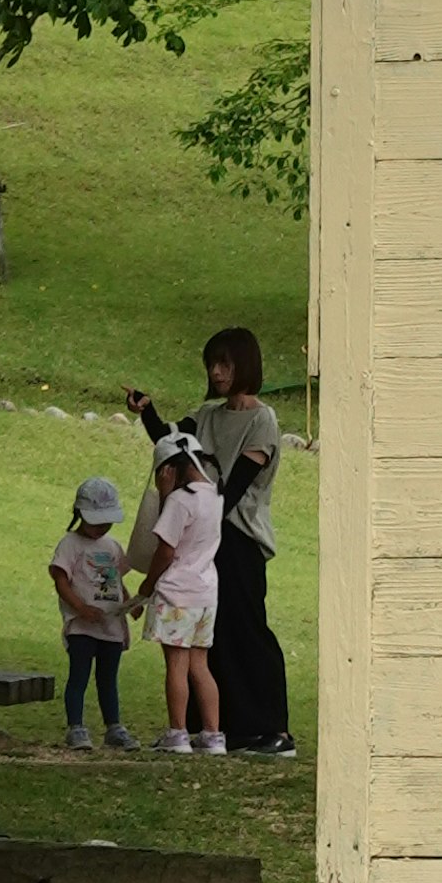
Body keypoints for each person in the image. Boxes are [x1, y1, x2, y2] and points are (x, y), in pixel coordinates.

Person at [126, 325, 294, 759]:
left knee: (247, 631)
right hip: (205, 538)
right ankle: (220, 729)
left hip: (239, 541)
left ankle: (273, 729)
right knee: (208, 638)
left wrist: (184, 514)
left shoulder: (263, 421)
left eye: (225, 364)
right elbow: (170, 442)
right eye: (212, 365)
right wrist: (146, 411)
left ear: (245, 366)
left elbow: (233, 489)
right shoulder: (207, 415)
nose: (217, 372)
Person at [134, 426, 224, 753]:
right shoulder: (216, 494)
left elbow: (166, 548)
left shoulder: (179, 501)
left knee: (176, 664)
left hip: (177, 593)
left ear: (169, 469)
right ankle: (213, 735)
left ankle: (178, 732)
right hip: (205, 593)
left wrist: (146, 586)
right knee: (200, 665)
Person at [47, 474, 134, 750]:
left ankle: (114, 726)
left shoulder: (112, 547)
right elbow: (60, 579)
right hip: (82, 626)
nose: (101, 527)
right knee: (79, 676)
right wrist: (80, 608)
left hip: (110, 625)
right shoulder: (70, 545)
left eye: (106, 521)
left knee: (108, 679)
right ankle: (76, 727)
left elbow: (117, 581)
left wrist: (131, 605)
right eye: (96, 521)